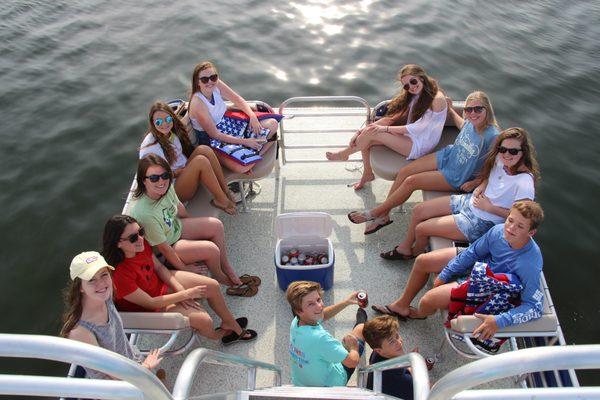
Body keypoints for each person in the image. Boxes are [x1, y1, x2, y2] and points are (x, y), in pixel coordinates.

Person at [372, 200, 545, 330]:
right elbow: (473, 252)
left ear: (531, 233)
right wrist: (446, 273)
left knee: (428, 299)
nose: (510, 228)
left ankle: (419, 313)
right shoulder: (498, 230)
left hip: (489, 284)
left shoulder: (530, 263)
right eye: (510, 220)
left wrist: (499, 321)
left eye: (520, 226)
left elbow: (534, 307)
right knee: (422, 261)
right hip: (481, 264)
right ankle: (401, 305)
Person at [348, 91, 500, 235]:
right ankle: (384, 216)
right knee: (405, 172)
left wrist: (475, 183)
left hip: (458, 174)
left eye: (478, 109)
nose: (473, 113)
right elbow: (462, 125)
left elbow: (498, 170)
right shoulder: (470, 122)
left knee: (411, 182)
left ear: (487, 109)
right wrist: (451, 110)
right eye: (468, 109)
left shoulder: (493, 136)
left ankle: (375, 212)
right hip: (448, 155)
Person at [381, 127, 539, 258]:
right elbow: (489, 177)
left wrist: (490, 208)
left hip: (483, 221)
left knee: (421, 229)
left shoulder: (524, 183)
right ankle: (406, 248)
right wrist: (481, 186)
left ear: (523, 152)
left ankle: (413, 253)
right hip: (471, 201)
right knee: (418, 210)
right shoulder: (500, 159)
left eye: (513, 151)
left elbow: (522, 219)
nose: (506, 154)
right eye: (502, 149)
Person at [102, 214, 257, 343]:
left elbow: (159, 268)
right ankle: (219, 335)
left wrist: (179, 288)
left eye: (141, 231)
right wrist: (186, 294)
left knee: (212, 285)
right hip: (151, 308)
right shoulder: (119, 275)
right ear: (118, 243)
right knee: (205, 321)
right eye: (133, 237)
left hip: (160, 286)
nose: (141, 238)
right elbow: (150, 302)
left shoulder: (141, 245)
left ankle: (229, 322)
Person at [129, 154, 245, 288]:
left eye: (165, 175)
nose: (161, 181)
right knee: (212, 250)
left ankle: (226, 267)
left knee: (216, 225)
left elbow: (180, 209)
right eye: (154, 178)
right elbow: (165, 250)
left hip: (174, 228)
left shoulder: (165, 188)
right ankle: (219, 276)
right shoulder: (145, 214)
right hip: (168, 248)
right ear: (143, 180)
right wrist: (185, 268)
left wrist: (198, 230)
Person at [326, 64, 447, 190]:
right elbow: (392, 119)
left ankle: (343, 154)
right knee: (368, 136)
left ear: (421, 78)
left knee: (372, 133)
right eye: (406, 86)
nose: (411, 87)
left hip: (421, 144)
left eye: (413, 81)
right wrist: (359, 132)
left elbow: (418, 128)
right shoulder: (416, 95)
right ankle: (367, 173)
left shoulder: (436, 99)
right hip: (411, 136)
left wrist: (384, 129)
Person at [60, 251, 163, 379]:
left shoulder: (105, 297)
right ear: (80, 287)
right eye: (91, 280)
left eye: (104, 274)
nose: (101, 284)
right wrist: (146, 367)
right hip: (119, 384)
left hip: (133, 364)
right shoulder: (80, 331)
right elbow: (112, 373)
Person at [140, 101, 236, 214]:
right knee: (201, 161)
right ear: (152, 123)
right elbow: (153, 178)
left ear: (172, 118)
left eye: (168, 119)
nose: (164, 124)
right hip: (173, 189)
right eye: (159, 121)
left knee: (204, 149)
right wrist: (179, 172)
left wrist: (185, 170)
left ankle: (225, 190)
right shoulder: (150, 147)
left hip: (183, 173)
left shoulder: (171, 133)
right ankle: (221, 200)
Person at [187, 61, 279, 174]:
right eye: (204, 79)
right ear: (197, 82)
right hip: (212, 139)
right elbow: (215, 134)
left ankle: (253, 153)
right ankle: (258, 150)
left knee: (272, 124)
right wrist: (245, 141)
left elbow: (237, 99)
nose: (210, 81)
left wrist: (252, 116)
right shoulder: (198, 103)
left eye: (213, 77)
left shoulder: (216, 84)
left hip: (228, 124)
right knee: (242, 168)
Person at [286, 281, 367, 387]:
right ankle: (361, 322)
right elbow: (352, 362)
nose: (319, 306)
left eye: (318, 299)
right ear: (299, 311)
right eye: (311, 304)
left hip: (301, 384)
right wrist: (353, 347)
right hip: (330, 385)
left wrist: (347, 302)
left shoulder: (296, 322)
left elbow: (322, 315)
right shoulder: (321, 338)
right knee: (361, 329)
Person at [363, 316, 415, 400]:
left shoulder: (375, 355)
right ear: (379, 350)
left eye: (397, 336)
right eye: (391, 342)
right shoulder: (402, 380)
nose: (399, 342)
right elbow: (425, 390)